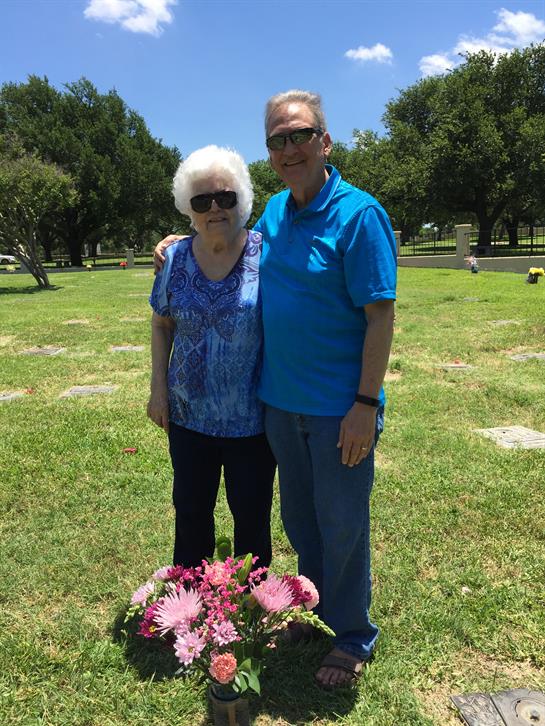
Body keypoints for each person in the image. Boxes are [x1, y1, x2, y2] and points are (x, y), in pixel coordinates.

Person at [155, 91, 397, 688]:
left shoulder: (359, 215)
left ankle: (352, 637)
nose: (289, 148)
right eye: (277, 139)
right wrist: (172, 243)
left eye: (300, 135)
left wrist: (365, 405)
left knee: (342, 522)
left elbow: (380, 315)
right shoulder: (277, 217)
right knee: (301, 521)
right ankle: (311, 611)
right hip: (278, 407)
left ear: (325, 141)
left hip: (340, 407)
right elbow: (222, 233)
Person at [147, 145, 276, 570]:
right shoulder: (174, 259)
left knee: (252, 518)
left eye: (226, 197)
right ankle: (189, 605)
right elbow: (162, 323)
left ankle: (256, 605)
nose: (215, 208)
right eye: (202, 200)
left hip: (251, 417)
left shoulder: (268, 253)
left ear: (243, 200)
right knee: (190, 512)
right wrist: (158, 390)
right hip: (187, 415)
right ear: (189, 207)